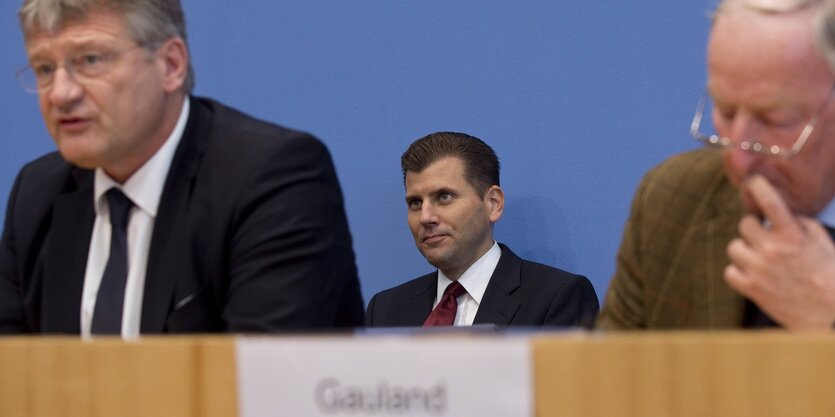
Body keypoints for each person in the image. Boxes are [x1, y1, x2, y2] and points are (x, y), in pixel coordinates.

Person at [0, 0, 364, 336]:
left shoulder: (272, 177)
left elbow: (262, 383)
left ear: (171, 65)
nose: (61, 93)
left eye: (90, 60)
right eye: (44, 68)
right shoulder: (38, 192)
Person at [598, 0, 835, 330]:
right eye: (725, 112)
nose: (738, 158)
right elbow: (609, 376)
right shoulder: (673, 201)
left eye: (775, 119)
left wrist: (828, 318)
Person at [365, 132, 598, 327]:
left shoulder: (557, 297)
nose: (425, 217)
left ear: (493, 204)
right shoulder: (385, 310)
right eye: (415, 202)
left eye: (444, 197)